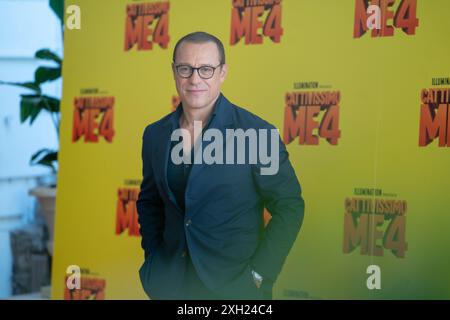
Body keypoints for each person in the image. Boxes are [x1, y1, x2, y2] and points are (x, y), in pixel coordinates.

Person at [137, 31, 305, 300]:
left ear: (222, 73)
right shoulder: (155, 134)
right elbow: (149, 202)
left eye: (206, 69)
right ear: (174, 72)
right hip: (171, 285)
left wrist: (260, 274)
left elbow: (290, 206)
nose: (194, 79)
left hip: (235, 288)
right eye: (185, 69)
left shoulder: (257, 134)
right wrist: (155, 258)